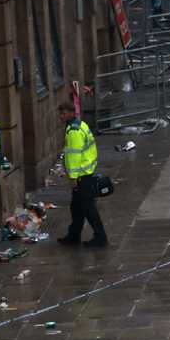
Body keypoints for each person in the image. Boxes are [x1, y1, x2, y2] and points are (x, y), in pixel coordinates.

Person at [58, 103, 107, 247]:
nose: (61, 116)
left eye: (64, 113)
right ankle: (73, 236)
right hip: (86, 172)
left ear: (72, 113)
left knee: (88, 208)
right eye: (60, 113)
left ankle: (100, 237)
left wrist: (72, 178)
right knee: (77, 207)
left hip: (81, 175)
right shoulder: (81, 125)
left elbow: (74, 155)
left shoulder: (73, 131)